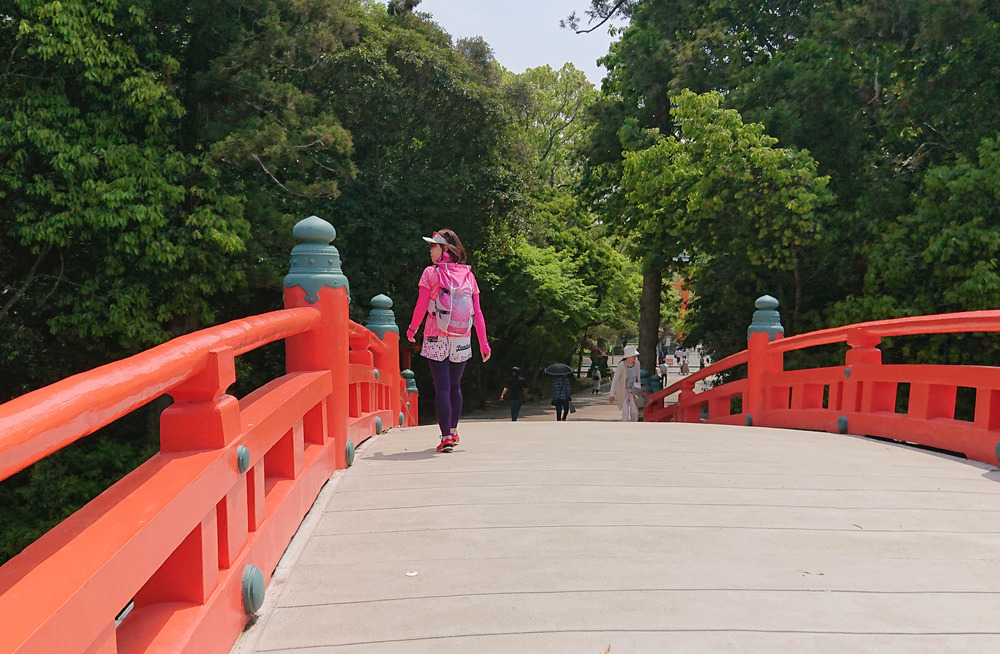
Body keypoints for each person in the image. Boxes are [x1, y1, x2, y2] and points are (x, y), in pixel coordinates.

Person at [406, 229, 491, 452]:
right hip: (462, 337)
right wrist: (483, 343)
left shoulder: (430, 273)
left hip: (436, 336)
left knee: (442, 389)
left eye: (433, 246)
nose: (430, 251)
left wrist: (412, 329)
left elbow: (421, 305)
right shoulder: (468, 275)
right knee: (455, 387)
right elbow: (478, 313)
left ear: (445, 249)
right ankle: (453, 431)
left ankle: (445, 438)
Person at [610, 345, 644, 422]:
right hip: (624, 391)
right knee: (625, 411)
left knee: (635, 411)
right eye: (632, 356)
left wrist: (639, 389)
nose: (634, 357)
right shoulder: (621, 365)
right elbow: (615, 380)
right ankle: (625, 425)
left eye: (635, 355)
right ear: (627, 357)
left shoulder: (637, 363)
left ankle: (634, 424)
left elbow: (638, 378)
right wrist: (612, 393)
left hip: (634, 390)